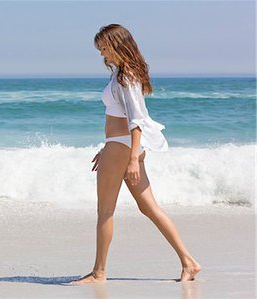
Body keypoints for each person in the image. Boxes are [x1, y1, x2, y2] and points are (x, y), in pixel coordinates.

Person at [70, 24, 201, 285]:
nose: (101, 54)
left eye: (104, 48)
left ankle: (99, 273)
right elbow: (121, 117)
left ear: (116, 45)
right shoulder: (123, 74)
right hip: (120, 147)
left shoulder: (125, 77)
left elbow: (136, 120)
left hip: (122, 149)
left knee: (105, 211)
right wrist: (107, 147)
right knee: (149, 208)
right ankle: (189, 262)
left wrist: (130, 157)